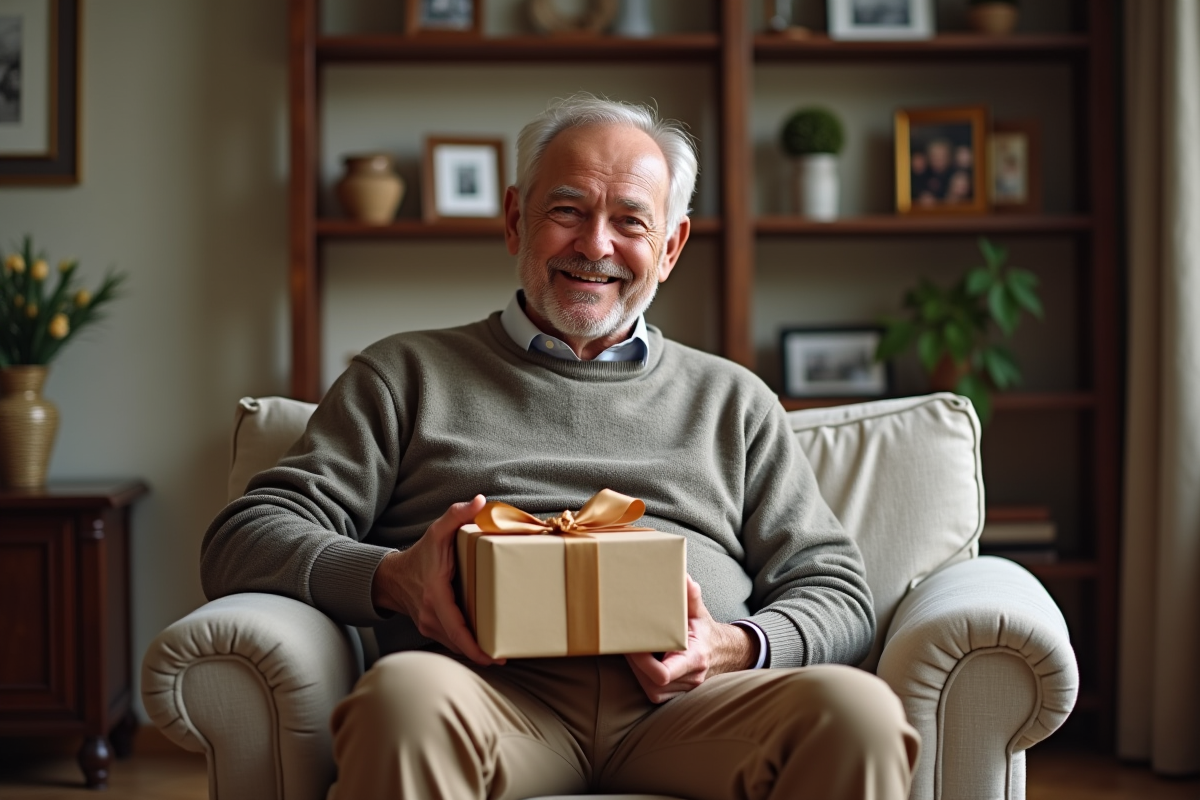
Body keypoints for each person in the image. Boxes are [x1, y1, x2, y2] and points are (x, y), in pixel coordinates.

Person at [201, 94, 919, 800]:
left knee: (857, 715)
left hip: (695, 712)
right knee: (400, 698)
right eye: (568, 210)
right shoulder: (402, 376)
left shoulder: (733, 400)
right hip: (484, 702)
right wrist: (395, 579)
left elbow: (837, 592)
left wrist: (729, 647)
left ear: (669, 248)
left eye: (630, 221)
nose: (596, 245)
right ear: (515, 219)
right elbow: (243, 538)